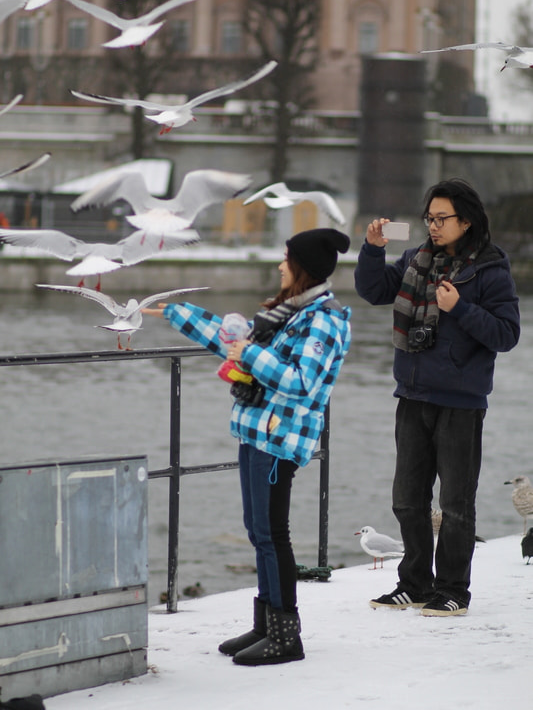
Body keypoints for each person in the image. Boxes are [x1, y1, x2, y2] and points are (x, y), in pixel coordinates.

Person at [144, 228, 351, 664]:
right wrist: (179, 314)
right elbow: (235, 342)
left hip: (280, 438)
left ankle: (285, 635)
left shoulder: (323, 319)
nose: (279, 265)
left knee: (273, 534)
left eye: (286, 258)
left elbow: (301, 382)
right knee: (259, 532)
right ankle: (265, 626)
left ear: (302, 268)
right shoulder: (289, 313)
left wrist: (250, 355)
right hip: (258, 430)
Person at [354, 179, 520, 617]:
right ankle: (414, 584)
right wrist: (372, 249)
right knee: (408, 498)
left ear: (466, 221)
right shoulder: (415, 259)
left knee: (455, 505)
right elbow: (374, 292)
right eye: (429, 218)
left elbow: (507, 335)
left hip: (461, 402)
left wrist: (460, 308)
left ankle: (453, 591)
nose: (433, 226)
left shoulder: (490, 269)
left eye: (442, 218)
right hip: (412, 393)